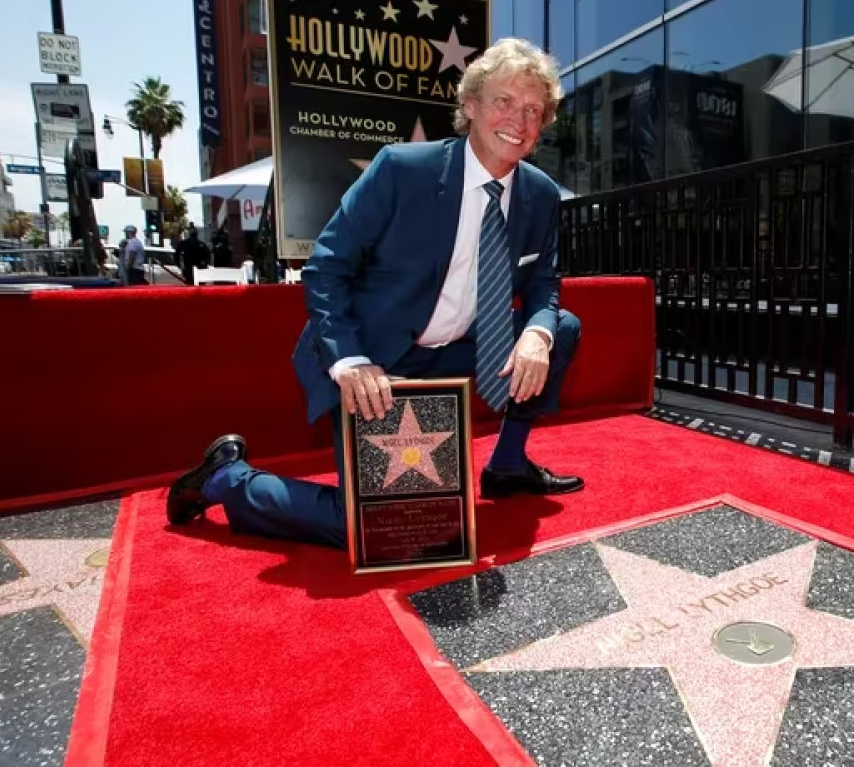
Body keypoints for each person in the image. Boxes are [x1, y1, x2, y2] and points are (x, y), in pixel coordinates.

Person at [165, 38, 584, 549]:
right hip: (376, 358)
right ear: (470, 106)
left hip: (459, 351)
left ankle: (508, 464)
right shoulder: (402, 170)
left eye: (533, 109)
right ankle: (227, 479)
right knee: (383, 527)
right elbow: (325, 268)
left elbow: (544, 283)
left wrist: (536, 332)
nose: (518, 119)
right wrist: (350, 360)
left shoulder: (539, 193)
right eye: (504, 101)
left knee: (559, 328)